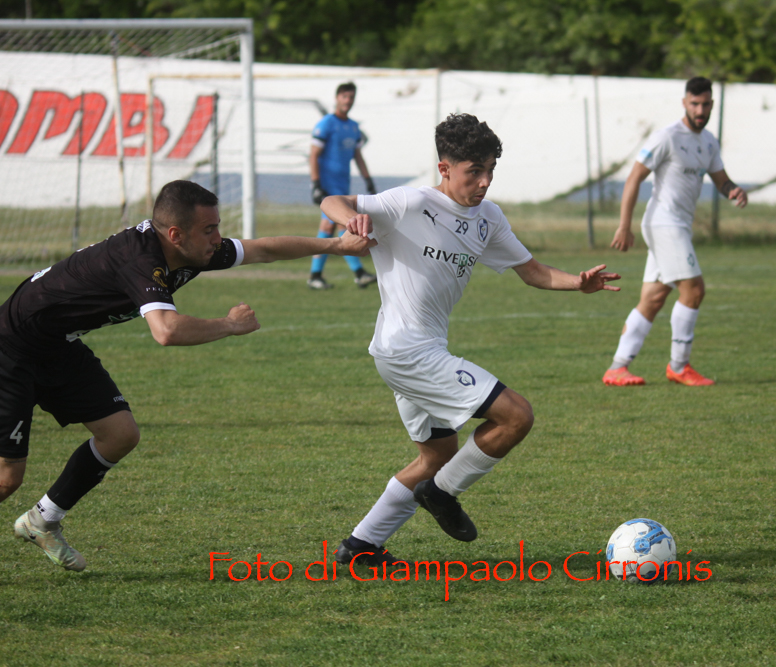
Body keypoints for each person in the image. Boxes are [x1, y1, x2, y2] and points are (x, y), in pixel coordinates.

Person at [0, 180, 373, 591]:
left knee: (120, 434)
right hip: (10, 349)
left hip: (57, 347)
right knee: (3, 478)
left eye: (216, 227)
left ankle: (43, 519)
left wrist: (337, 246)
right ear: (176, 234)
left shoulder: (191, 249)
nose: (217, 238)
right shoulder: (142, 259)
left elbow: (263, 249)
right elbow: (166, 330)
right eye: (209, 229)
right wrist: (229, 325)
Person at [320, 113, 621, 567]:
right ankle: (441, 496)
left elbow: (532, 271)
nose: (484, 182)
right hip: (407, 351)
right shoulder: (409, 203)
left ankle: (360, 547)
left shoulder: (488, 218)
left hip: (414, 352)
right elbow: (332, 200)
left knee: (438, 455)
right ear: (444, 168)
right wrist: (354, 220)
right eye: (474, 171)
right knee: (516, 416)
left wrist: (577, 283)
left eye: (490, 171)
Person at [602, 76, 747, 388]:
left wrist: (733, 190)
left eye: (705, 104)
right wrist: (624, 225)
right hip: (664, 223)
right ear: (684, 103)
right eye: (694, 104)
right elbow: (634, 178)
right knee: (694, 290)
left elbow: (721, 180)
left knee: (653, 299)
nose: (700, 110)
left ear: (712, 104)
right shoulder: (666, 137)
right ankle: (679, 366)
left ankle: (617, 368)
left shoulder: (709, 142)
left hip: (678, 226)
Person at [307, 81, 378, 290]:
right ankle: (357, 273)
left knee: (331, 226)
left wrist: (368, 180)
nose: (348, 101)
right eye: (344, 96)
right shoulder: (326, 124)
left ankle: (317, 275)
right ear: (337, 98)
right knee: (337, 225)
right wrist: (316, 184)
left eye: (351, 97)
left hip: (342, 185)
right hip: (327, 186)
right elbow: (313, 155)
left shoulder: (353, 127)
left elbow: (357, 155)